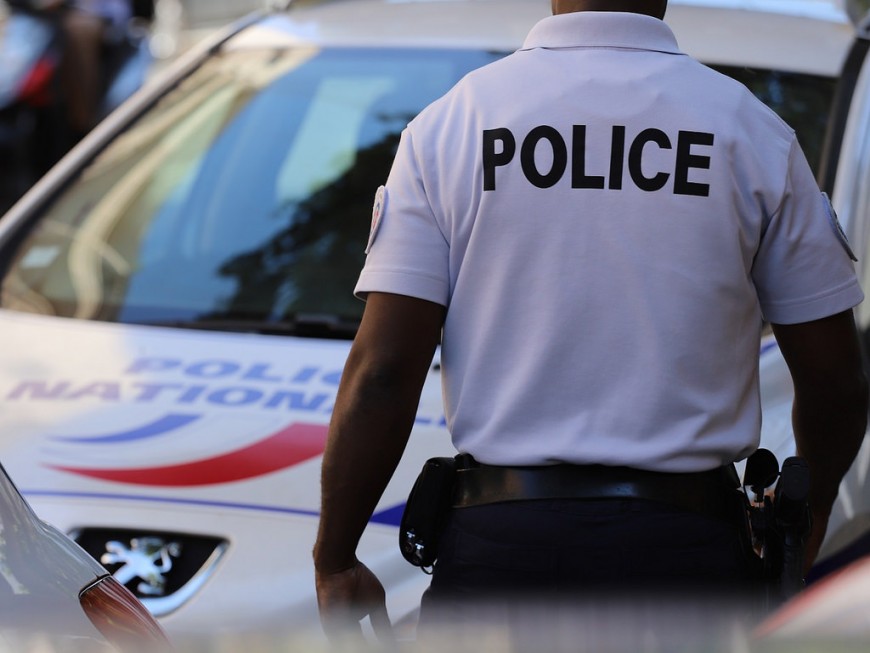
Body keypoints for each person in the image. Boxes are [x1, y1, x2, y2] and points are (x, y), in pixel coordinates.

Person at [313, 0, 869, 640]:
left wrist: (336, 558)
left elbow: (383, 373)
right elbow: (835, 382)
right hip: (689, 560)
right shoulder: (752, 132)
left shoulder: (453, 125)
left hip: (500, 556)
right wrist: (807, 517)